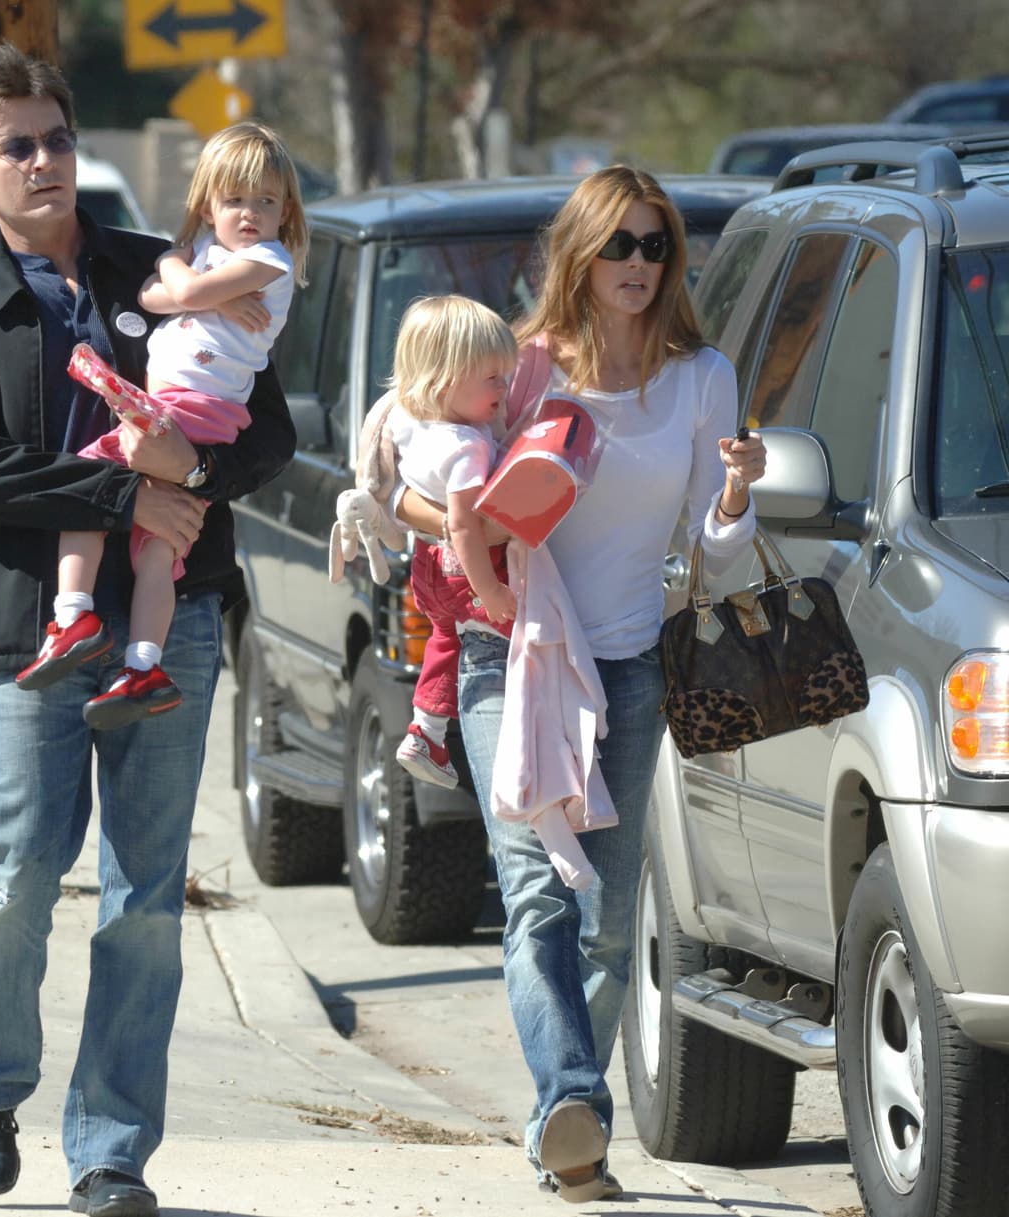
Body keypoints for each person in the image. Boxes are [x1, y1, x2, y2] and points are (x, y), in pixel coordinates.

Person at [0, 43, 294, 1217]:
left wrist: (196, 475)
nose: (43, 161)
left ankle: (111, 1148)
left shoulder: (162, 268)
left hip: (171, 626)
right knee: (20, 869)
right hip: (39, 627)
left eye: (57, 138)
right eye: (16, 145)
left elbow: (264, 427)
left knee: (145, 895)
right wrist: (129, 494)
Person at [395, 165, 766, 1203]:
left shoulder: (700, 377)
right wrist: (458, 530)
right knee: (532, 895)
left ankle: (570, 1131)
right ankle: (570, 1102)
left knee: (604, 914)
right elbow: (410, 481)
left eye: (655, 246)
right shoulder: (517, 368)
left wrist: (735, 493)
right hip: (502, 658)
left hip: (627, 664)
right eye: (618, 245)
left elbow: (713, 552)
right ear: (580, 253)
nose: (637, 264)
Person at [16, 121, 308, 729]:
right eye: (235, 200)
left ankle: (72, 618)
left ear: (287, 211)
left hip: (193, 407)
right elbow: (151, 297)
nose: (250, 214)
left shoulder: (268, 257)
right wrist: (196, 286)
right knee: (159, 549)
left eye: (267, 201)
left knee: (88, 483)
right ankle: (143, 665)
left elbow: (178, 286)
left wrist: (184, 271)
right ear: (207, 204)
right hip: (192, 409)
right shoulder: (213, 257)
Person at [384, 294, 519, 789]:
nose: (504, 389)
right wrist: (491, 592)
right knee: (527, 637)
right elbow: (464, 526)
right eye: (492, 378)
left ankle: (427, 732)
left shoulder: (407, 419)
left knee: (445, 638)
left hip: (428, 567)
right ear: (444, 380)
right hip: (467, 572)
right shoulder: (467, 446)